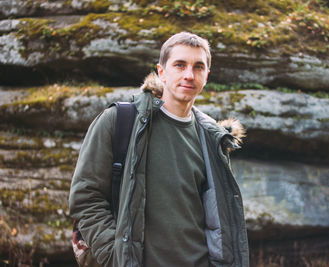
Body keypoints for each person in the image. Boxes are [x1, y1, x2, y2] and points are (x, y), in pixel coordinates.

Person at [69, 32, 249, 267]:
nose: (188, 75)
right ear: (161, 71)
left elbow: (219, 221)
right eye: (180, 64)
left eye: (198, 67)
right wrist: (117, 258)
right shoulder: (120, 120)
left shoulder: (212, 139)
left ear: (207, 75)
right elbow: (85, 198)